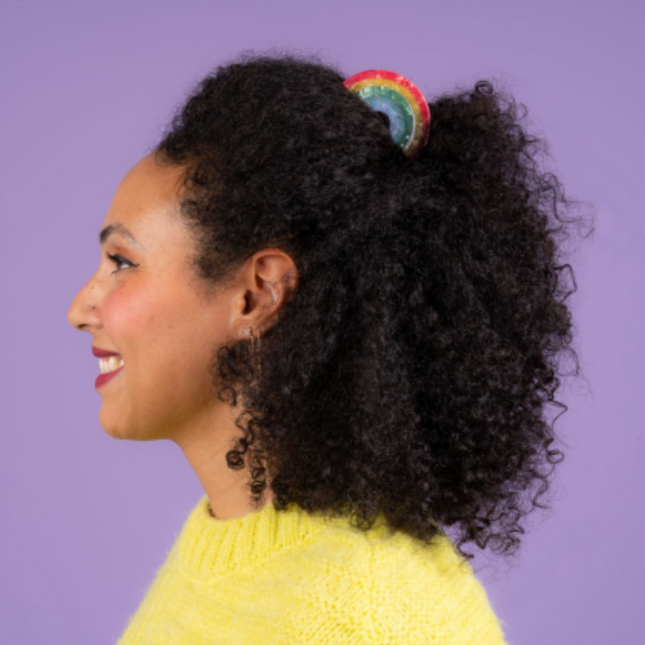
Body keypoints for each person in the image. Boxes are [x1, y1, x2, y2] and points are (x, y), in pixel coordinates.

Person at [67, 53, 584, 644]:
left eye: (122, 262)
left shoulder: (363, 623)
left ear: (257, 295)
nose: (79, 309)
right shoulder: (228, 539)